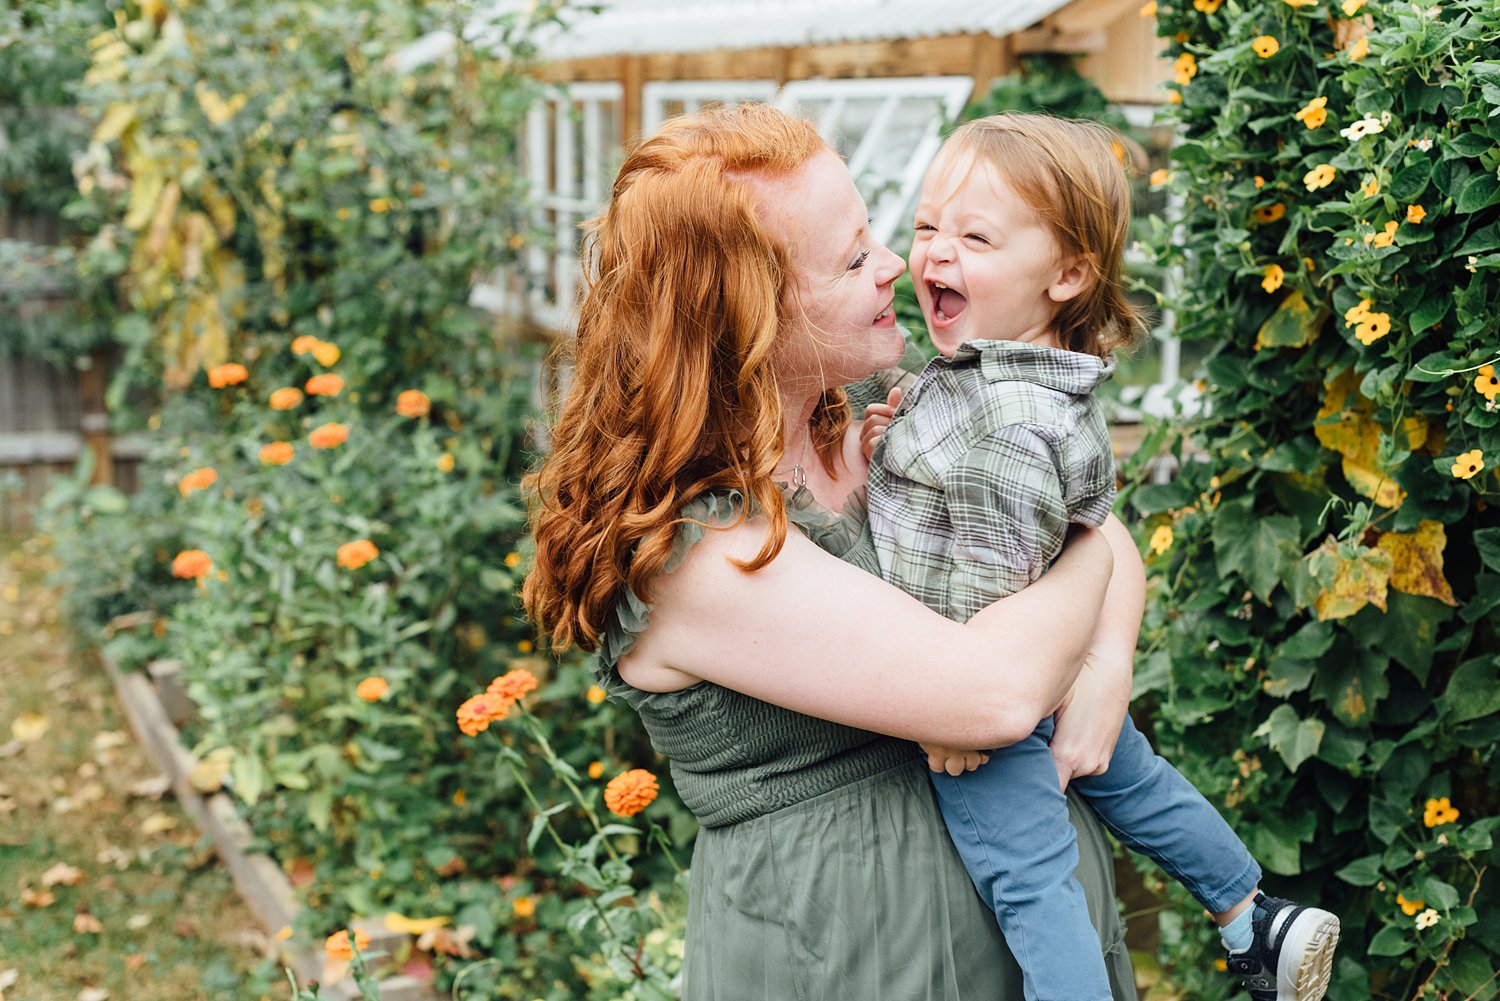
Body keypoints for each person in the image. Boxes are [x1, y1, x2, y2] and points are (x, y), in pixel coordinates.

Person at [522, 103, 1141, 999]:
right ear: (748, 316)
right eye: (853, 259)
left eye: (874, 234)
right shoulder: (695, 549)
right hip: (847, 961)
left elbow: (1089, 519)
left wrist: (1106, 661)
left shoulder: (889, 408)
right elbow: (994, 690)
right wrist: (1093, 554)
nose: (898, 263)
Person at [857, 113, 1340, 1001]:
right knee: (1133, 774)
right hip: (1058, 669)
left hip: (980, 711)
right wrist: (897, 435)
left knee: (1033, 882)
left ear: (1068, 274)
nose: (934, 255)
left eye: (974, 236)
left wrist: (949, 712)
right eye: (927, 228)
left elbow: (986, 587)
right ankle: (1252, 912)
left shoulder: (1005, 419)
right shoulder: (1015, 378)